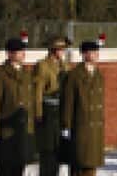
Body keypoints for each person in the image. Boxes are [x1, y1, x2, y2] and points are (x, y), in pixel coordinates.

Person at [0, 37, 35, 176]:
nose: (22, 54)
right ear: (9, 54)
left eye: (23, 51)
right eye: (19, 51)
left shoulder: (26, 74)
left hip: (22, 131)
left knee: (19, 168)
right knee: (4, 169)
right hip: (6, 131)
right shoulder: (1, 75)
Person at [60, 39, 106, 176]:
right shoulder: (74, 76)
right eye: (93, 52)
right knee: (79, 165)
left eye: (97, 52)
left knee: (91, 166)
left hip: (95, 127)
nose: (96, 55)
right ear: (84, 54)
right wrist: (66, 125)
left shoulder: (98, 75)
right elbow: (68, 103)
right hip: (81, 126)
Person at [34, 37, 71, 176]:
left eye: (63, 49)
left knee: (59, 151)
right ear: (53, 50)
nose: (62, 52)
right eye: (60, 49)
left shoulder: (65, 66)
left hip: (61, 110)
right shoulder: (43, 66)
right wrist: (38, 113)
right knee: (48, 152)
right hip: (48, 110)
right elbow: (38, 91)